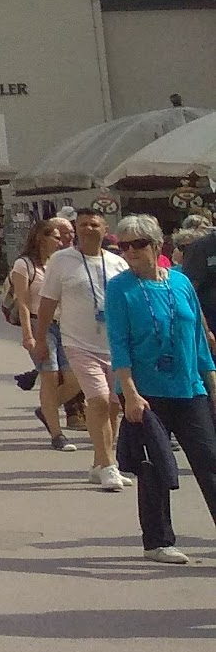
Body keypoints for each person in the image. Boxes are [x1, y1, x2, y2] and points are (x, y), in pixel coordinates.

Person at [105, 215, 216, 564]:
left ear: (157, 246)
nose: (130, 252)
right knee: (154, 467)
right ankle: (157, 542)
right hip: (145, 394)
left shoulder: (181, 282)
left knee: (210, 462)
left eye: (138, 244)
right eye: (124, 246)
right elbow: (119, 343)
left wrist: (211, 384)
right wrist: (129, 392)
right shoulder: (120, 288)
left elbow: (199, 339)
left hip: (190, 388)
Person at [31, 208, 131, 493]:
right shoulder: (62, 261)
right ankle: (110, 466)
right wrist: (40, 339)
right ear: (76, 229)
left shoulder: (117, 263)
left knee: (114, 405)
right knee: (98, 401)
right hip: (77, 344)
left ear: (105, 229)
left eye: (94, 224)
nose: (89, 229)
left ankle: (100, 463)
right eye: (83, 224)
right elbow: (47, 302)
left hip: (113, 345)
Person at [9, 217, 78, 452]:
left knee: (75, 379)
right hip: (40, 324)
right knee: (50, 376)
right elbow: (22, 302)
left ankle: (47, 410)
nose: (61, 242)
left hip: (64, 325)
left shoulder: (58, 263)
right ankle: (57, 434)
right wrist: (28, 335)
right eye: (56, 237)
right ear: (42, 238)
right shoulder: (24, 265)